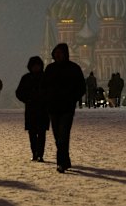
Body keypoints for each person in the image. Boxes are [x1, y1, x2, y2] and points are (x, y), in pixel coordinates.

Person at [44, 43, 86, 173]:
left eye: (60, 53)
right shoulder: (50, 68)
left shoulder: (74, 68)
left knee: (63, 134)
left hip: (67, 107)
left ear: (65, 54)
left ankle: (61, 163)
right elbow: (44, 86)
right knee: (58, 135)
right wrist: (47, 98)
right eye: (56, 53)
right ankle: (65, 159)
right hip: (53, 107)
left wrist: (72, 98)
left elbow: (81, 87)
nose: (58, 55)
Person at [16, 56, 50, 162]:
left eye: (37, 66)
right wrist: (28, 99)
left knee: (41, 133)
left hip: (43, 109)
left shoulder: (45, 78)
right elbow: (19, 92)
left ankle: (40, 154)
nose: (36, 68)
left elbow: (50, 91)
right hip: (31, 109)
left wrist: (45, 99)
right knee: (32, 133)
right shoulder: (26, 78)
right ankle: (34, 153)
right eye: (34, 66)